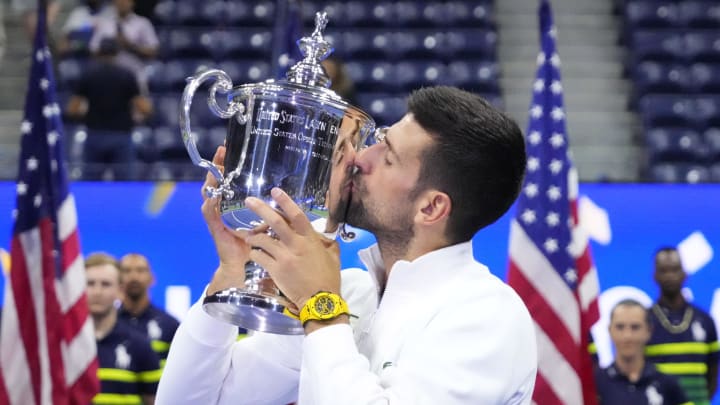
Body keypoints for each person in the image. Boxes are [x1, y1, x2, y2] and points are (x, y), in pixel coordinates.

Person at [156, 86, 537, 404]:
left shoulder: (487, 315)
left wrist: (322, 307)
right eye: (377, 140)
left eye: (386, 157)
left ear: (431, 207)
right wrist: (232, 276)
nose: (357, 157)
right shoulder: (352, 293)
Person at [65, 37, 152, 180]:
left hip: (94, 135)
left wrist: (87, 114)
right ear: (117, 53)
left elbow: (72, 109)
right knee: (124, 186)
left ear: (98, 53)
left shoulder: (88, 75)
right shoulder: (126, 75)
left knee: (91, 186)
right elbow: (145, 109)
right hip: (121, 137)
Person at [85, 252, 162, 405]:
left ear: (120, 291)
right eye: (90, 283)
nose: (97, 292)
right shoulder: (63, 346)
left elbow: (156, 401)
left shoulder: (141, 346)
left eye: (106, 284)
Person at [646, 246, 719, 405]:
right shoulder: (645, 321)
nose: (670, 276)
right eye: (663, 271)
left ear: (684, 274)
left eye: (674, 269)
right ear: (655, 276)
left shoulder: (705, 320)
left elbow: (713, 372)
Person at [595, 299, 691, 405]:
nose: (627, 336)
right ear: (609, 330)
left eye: (635, 327)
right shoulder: (595, 383)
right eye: (620, 327)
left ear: (648, 331)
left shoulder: (668, 384)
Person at [118, 253, 180, 367]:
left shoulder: (170, 325)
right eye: (126, 271)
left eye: (140, 270)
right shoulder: (109, 324)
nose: (134, 276)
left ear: (152, 278)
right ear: (117, 279)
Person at [89, 0, 159, 92]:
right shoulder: (105, 23)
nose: (122, 3)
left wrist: (130, 46)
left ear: (132, 2)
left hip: (136, 77)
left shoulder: (142, 23)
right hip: (109, 79)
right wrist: (109, 47)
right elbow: (93, 50)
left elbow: (153, 51)